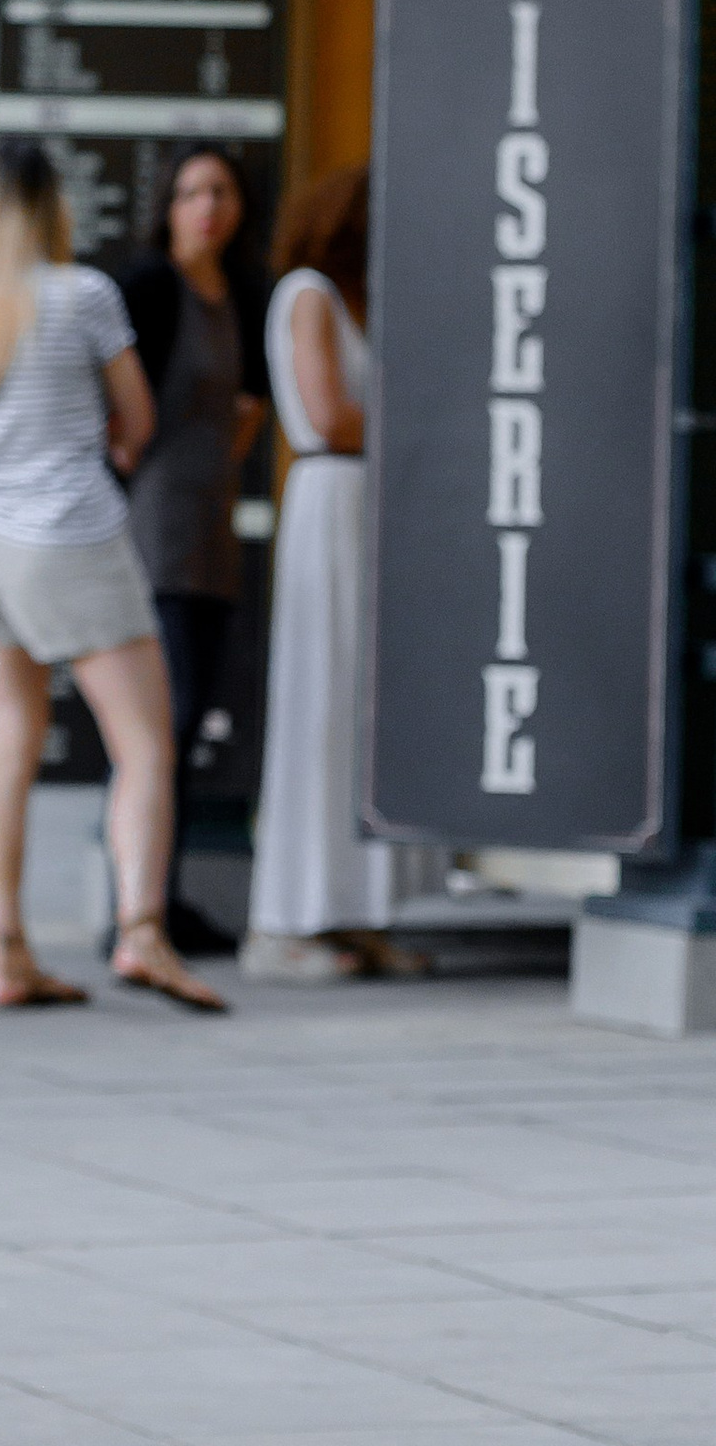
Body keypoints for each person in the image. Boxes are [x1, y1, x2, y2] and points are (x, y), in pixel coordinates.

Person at [0, 142, 227, 1016]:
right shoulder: (84, 297)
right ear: (49, 210)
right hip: (68, 537)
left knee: (9, 744)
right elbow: (135, 419)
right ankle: (142, 932)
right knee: (144, 746)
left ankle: (7, 953)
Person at [246, 164, 435, 976]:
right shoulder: (308, 293)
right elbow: (327, 414)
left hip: (370, 502)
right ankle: (292, 918)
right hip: (334, 498)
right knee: (322, 705)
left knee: (365, 711)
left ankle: (357, 910)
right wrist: (426, 419)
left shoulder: (356, 298)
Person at [115, 144, 270, 956]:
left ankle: (162, 901)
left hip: (212, 532)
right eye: (190, 192)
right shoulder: (149, 288)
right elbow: (109, 400)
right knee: (158, 722)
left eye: (221, 191)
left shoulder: (246, 295)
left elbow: (253, 405)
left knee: (192, 718)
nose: (206, 205)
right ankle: (140, 907)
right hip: (153, 529)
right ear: (168, 207)